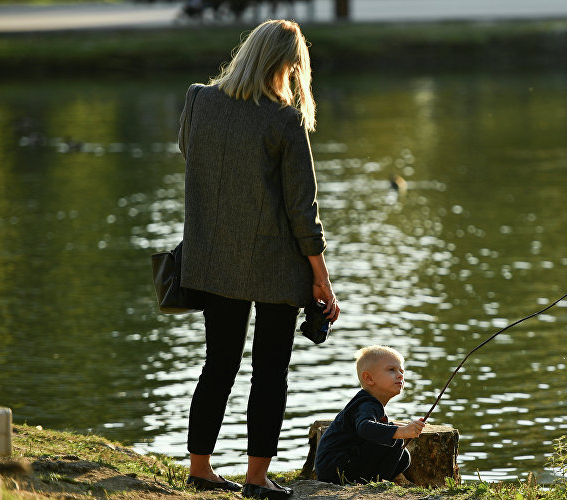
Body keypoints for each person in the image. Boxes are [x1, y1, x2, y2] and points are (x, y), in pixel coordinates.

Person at [176, 19, 340, 499]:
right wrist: (321, 279)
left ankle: (200, 467)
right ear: (288, 66)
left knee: (218, 364)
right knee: (270, 371)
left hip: (213, 257)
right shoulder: (283, 119)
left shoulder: (198, 100)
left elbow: (192, 155)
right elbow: (302, 208)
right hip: (274, 265)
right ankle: (255, 478)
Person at [314, 346, 425, 484]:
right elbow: (365, 428)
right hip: (337, 469)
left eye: (401, 371)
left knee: (403, 457)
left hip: (342, 465)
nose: (400, 375)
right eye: (391, 370)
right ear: (369, 378)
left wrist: (407, 427)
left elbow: (375, 427)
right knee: (396, 441)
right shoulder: (366, 404)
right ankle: (372, 484)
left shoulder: (371, 403)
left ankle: (372, 482)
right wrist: (401, 431)